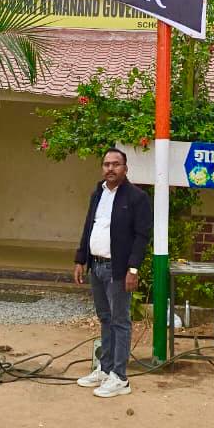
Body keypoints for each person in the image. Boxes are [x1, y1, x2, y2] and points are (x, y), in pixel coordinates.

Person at [73, 148, 152, 398]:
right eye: (106, 164)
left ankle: (120, 377)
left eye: (116, 164)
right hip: (96, 266)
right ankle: (105, 369)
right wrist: (80, 259)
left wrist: (133, 269)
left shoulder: (137, 197)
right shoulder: (98, 194)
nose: (110, 168)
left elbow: (142, 236)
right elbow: (89, 227)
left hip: (118, 269)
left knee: (120, 321)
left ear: (125, 168)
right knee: (105, 318)